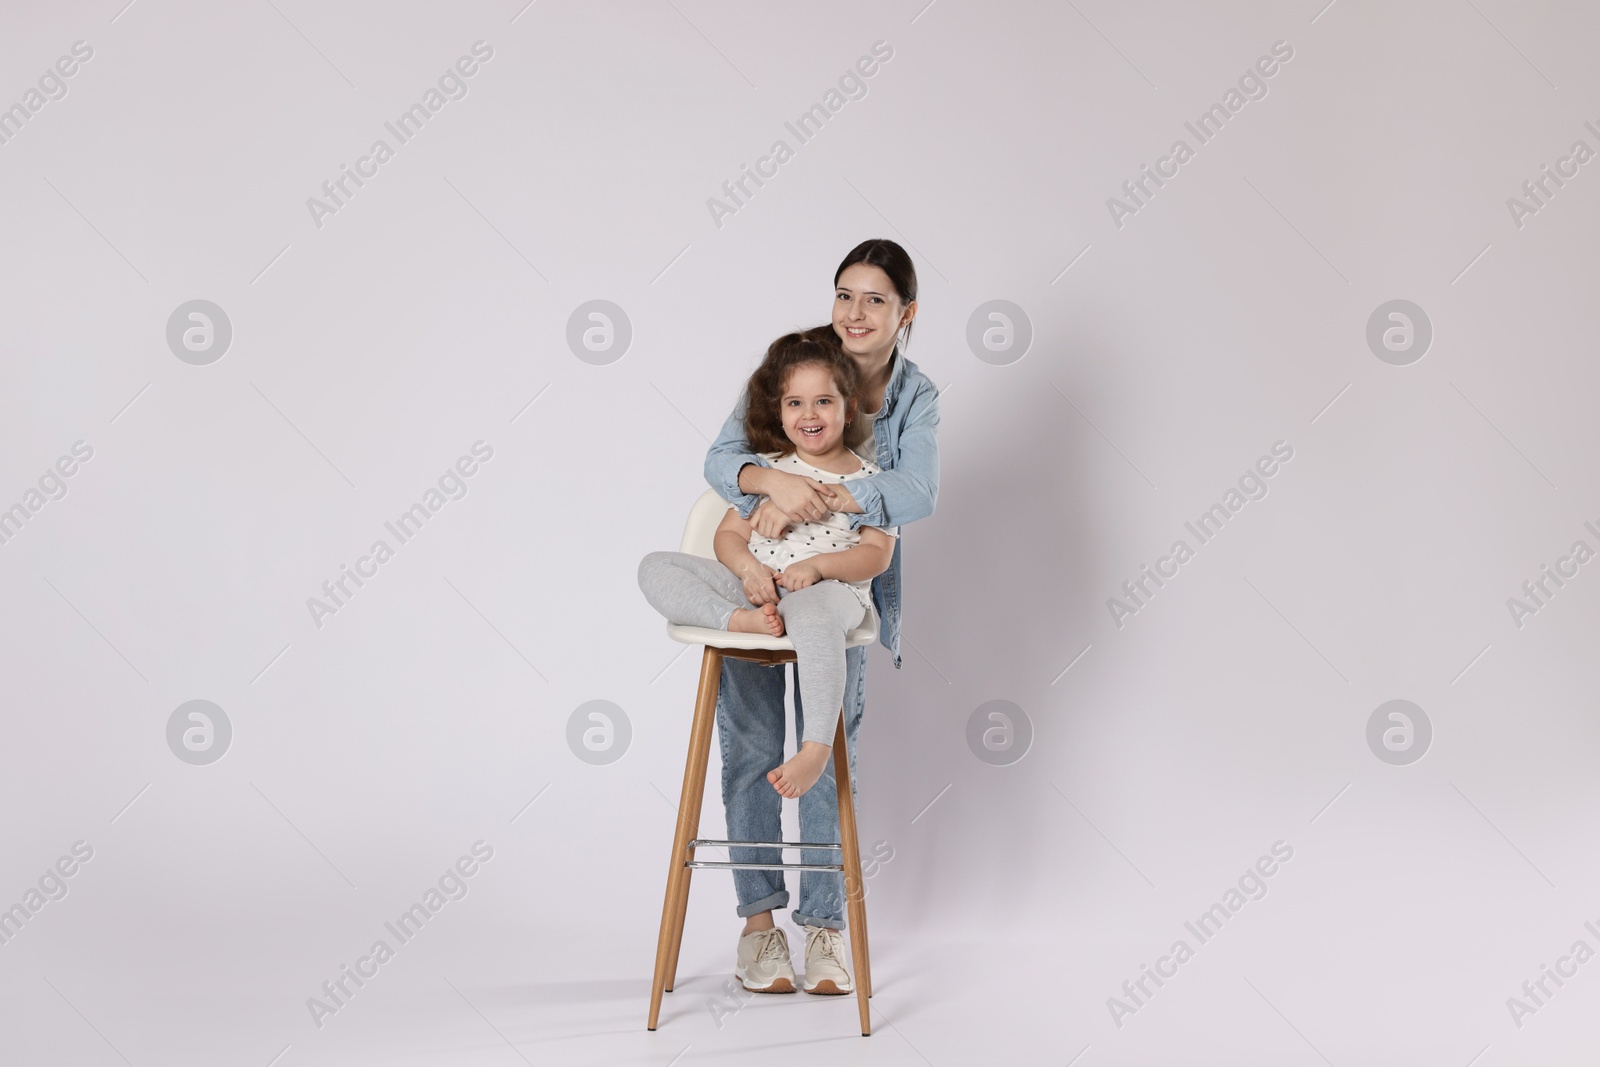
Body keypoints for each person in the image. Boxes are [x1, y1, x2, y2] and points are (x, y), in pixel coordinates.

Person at [700, 238, 940, 996]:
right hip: (761, 579)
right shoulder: (795, 364)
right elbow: (720, 462)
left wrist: (838, 494)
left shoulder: (915, 397)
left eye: (875, 299)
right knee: (747, 748)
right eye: (845, 294)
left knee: (833, 750)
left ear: (906, 314)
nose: (856, 312)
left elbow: (916, 495)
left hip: (834, 593)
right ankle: (759, 926)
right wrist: (769, 479)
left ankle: (827, 928)